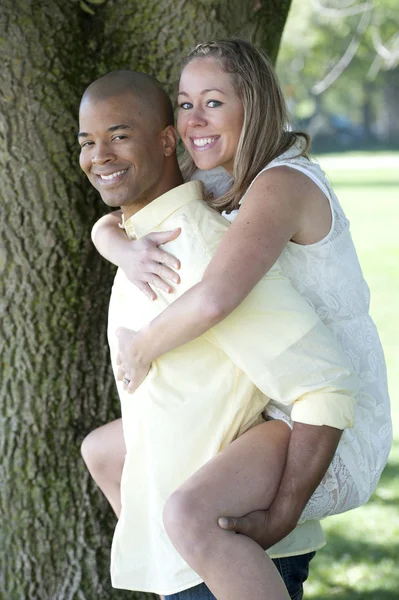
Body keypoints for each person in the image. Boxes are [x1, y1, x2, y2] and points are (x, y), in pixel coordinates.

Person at [82, 39, 392, 599]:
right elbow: (123, 214)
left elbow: (215, 296)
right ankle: (180, 571)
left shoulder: (279, 184)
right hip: (277, 381)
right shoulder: (223, 180)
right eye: (184, 103)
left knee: (190, 514)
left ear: (254, 105)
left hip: (322, 408)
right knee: (105, 450)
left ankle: (217, 560)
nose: (194, 119)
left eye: (213, 103)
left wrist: (142, 348)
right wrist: (118, 246)